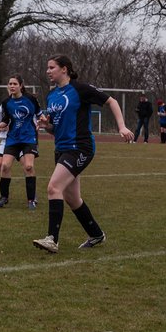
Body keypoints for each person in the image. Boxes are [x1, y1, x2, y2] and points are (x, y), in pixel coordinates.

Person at [31, 55, 133, 253]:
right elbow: (56, 128)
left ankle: (52, 239)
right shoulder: (52, 96)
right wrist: (46, 126)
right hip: (61, 149)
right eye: (47, 68)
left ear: (65, 69)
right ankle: (96, 234)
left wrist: (121, 126)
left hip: (80, 148)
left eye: (52, 67)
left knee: (53, 188)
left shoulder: (80, 89)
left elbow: (111, 101)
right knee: (72, 198)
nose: (48, 71)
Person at [0, 75, 41, 210]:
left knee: (29, 167)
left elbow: (39, 114)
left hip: (28, 137)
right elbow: (6, 120)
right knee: (5, 166)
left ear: (21, 85)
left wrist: (43, 121)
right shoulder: (6, 102)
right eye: (10, 84)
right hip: (13, 138)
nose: (12, 86)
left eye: (15, 84)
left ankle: (31, 200)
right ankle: (4, 197)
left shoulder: (31, 99)